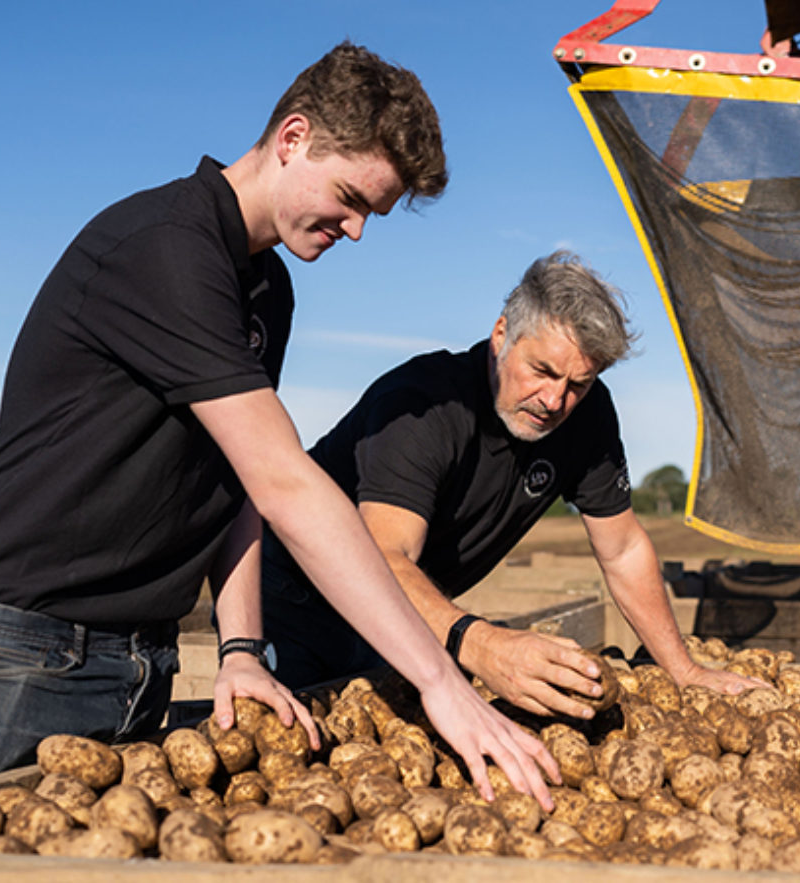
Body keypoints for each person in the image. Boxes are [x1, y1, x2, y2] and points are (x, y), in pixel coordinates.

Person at [0, 42, 558, 804]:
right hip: (25, 649)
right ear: (293, 139)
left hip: (142, 653)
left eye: (373, 215)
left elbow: (238, 486)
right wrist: (439, 680)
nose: (356, 231)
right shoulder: (165, 249)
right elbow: (286, 481)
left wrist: (242, 648)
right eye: (351, 198)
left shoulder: (266, 288)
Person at [261, 252, 763, 716]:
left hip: (412, 610)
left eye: (578, 384)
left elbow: (624, 548)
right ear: (501, 334)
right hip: (300, 599)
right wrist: (481, 643)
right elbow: (383, 558)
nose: (554, 400)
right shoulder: (421, 406)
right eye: (541, 371)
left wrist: (685, 672)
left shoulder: (586, 416)